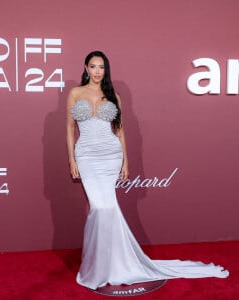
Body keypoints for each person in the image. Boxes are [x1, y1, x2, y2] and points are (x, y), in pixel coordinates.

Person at [66, 50, 229, 290]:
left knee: (107, 208)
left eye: (101, 67)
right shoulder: (75, 93)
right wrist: (72, 159)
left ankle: (110, 264)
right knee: (99, 209)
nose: (97, 71)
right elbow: (70, 129)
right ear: (86, 68)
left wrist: (125, 161)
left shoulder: (114, 96)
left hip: (111, 155)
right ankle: (96, 265)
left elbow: (120, 130)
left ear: (106, 69)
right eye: (93, 66)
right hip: (87, 156)